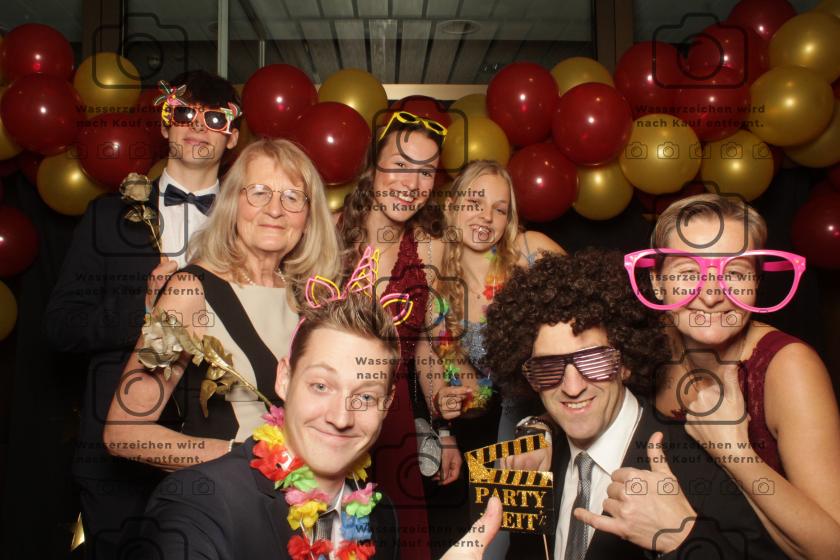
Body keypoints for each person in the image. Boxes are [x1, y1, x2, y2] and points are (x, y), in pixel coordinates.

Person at [124, 292, 502, 559]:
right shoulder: (200, 504)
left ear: (387, 405)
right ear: (284, 379)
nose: (340, 417)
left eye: (365, 397)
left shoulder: (380, 516)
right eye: (321, 386)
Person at [43, 70, 241, 556]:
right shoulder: (105, 217)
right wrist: (145, 309)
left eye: (215, 118)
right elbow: (61, 327)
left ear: (232, 136)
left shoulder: (253, 225)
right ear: (165, 125)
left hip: (217, 447)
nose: (198, 127)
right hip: (117, 459)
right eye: (184, 113)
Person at [482, 248, 787, 560]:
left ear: (625, 363)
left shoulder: (700, 467)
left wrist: (683, 539)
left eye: (595, 361)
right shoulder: (530, 461)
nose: (573, 388)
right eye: (548, 368)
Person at [625, 193, 840, 559]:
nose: (712, 295)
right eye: (688, 274)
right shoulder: (652, 342)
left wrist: (734, 452)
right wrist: (540, 428)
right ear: (658, 284)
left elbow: (832, 548)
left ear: (755, 282)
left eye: (735, 274)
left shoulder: (788, 369)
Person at [103, 139, 341, 467]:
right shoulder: (190, 291)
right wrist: (244, 458)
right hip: (227, 491)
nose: (275, 210)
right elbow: (124, 433)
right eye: (259, 192)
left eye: (292, 197)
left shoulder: (310, 298)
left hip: (305, 493)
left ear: (309, 217)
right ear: (232, 203)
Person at [413, 159, 564, 555]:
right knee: (493, 533)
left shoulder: (531, 251)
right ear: (452, 206)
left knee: (563, 529)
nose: (486, 217)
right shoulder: (436, 279)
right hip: (504, 417)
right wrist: (444, 410)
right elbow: (442, 361)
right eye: (475, 203)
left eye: (500, 209)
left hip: (563, 408)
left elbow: (593, 316)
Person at [337, 110, 447, 559]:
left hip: (394, 421)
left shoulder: (430, 249)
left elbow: (424, 346)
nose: (412, 183)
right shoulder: (325, 233)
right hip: (328, 411)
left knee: (398, 544)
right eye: (400, 165)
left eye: (426, 171)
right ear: (372, 167)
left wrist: (444, 422)